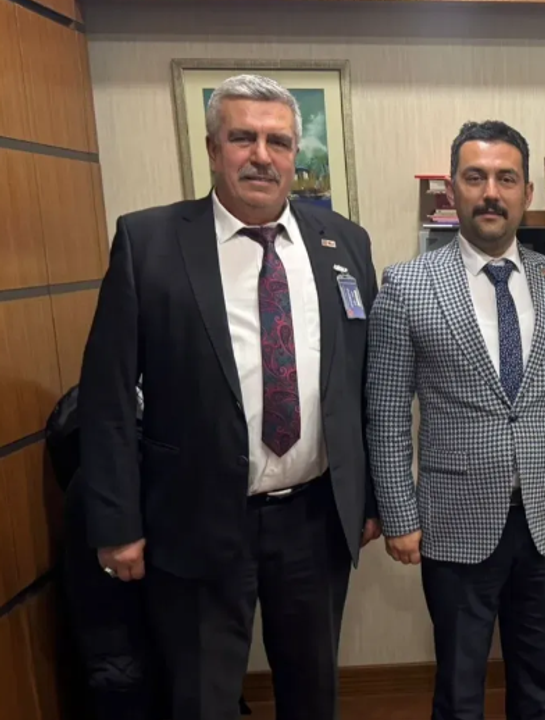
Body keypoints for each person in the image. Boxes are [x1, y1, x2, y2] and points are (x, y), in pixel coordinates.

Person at [78, 73, 382, 720]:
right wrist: (116, 525)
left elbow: (365, 383)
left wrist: (371, 497)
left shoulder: (345, 242)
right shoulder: (149, 242)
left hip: (314, 519)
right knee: (201, 699)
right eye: (243, 138)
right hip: (195, 516)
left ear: (295, 155)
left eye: (278, 141)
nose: (261, 156)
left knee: (313, 695)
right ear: (214, 149)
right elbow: (107, 396)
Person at [366, 119, 545, 720]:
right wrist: (399, 514)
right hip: (452, 519)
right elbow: (387, 414)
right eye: (475, 178)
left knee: (538, 681)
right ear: (452, 190)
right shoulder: (408, 285)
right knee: (459, 687)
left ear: (527, 192)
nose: (491, 192)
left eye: (506, 178)